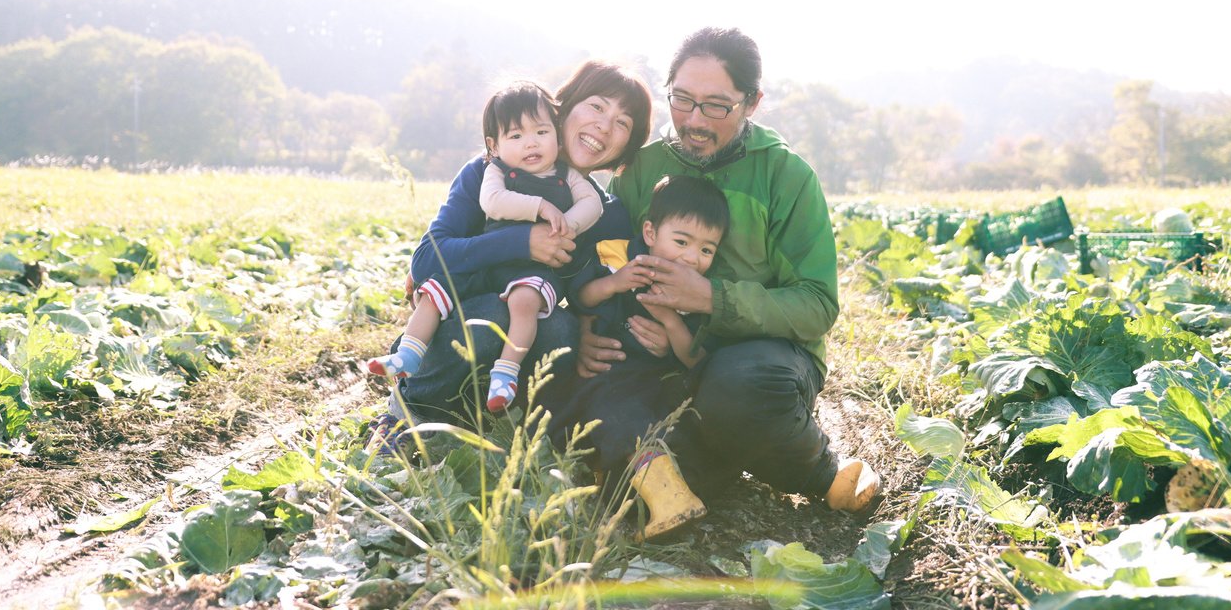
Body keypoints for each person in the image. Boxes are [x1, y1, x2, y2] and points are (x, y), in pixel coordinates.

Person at [579, 26, 880, 526]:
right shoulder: (640, 167)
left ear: (752, 102)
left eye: (716, 106)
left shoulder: (787, 177)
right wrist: (590, 327)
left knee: (736, 387)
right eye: (682, 100)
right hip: (658, 363)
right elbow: (596, 251)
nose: (694, 121)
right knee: (635, 480)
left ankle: (821, 470)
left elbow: (817, 305)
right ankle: (722, 445)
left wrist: (711, 298)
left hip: (762, 359)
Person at [365, 61, 654, 453]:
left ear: (628, 145)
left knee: (560, 330)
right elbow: (426, 262)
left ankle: (492, 425)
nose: (605, 126)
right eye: (598, 107)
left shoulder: (606, 213)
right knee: (494, 317)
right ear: (563, 106)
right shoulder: (490, 172)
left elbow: (597, 288)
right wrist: (522, 242)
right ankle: (410, 412)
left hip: (522, 336)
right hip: (461, 321)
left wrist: (590, 326)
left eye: (623, 122)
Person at [366, 81, 605, 413]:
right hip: (481, 278)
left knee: (549, 322)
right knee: (439, 294)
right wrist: (535, 218)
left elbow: (592, 204)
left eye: (541, 132)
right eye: (516, 136)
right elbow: (492, 203)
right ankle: (409, 370)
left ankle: (504, 384)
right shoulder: (491, 170)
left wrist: (567, 227)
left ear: (557, 133)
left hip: (526, 278)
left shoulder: (568, 176)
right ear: (494, 146)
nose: (531, 143)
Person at [560, 173, 730, 541]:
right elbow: (580, 298)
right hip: (607, 377)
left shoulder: (697, 291)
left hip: (656, 382)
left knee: (673, 425)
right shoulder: (618, 255)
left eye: (706, 250)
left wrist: (670, 322)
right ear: (651, 234)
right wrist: (615, 283)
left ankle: (664, 495)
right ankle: (662, 498)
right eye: (681, 241)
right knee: (616, 415)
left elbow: (694, 359)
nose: (692, 257)